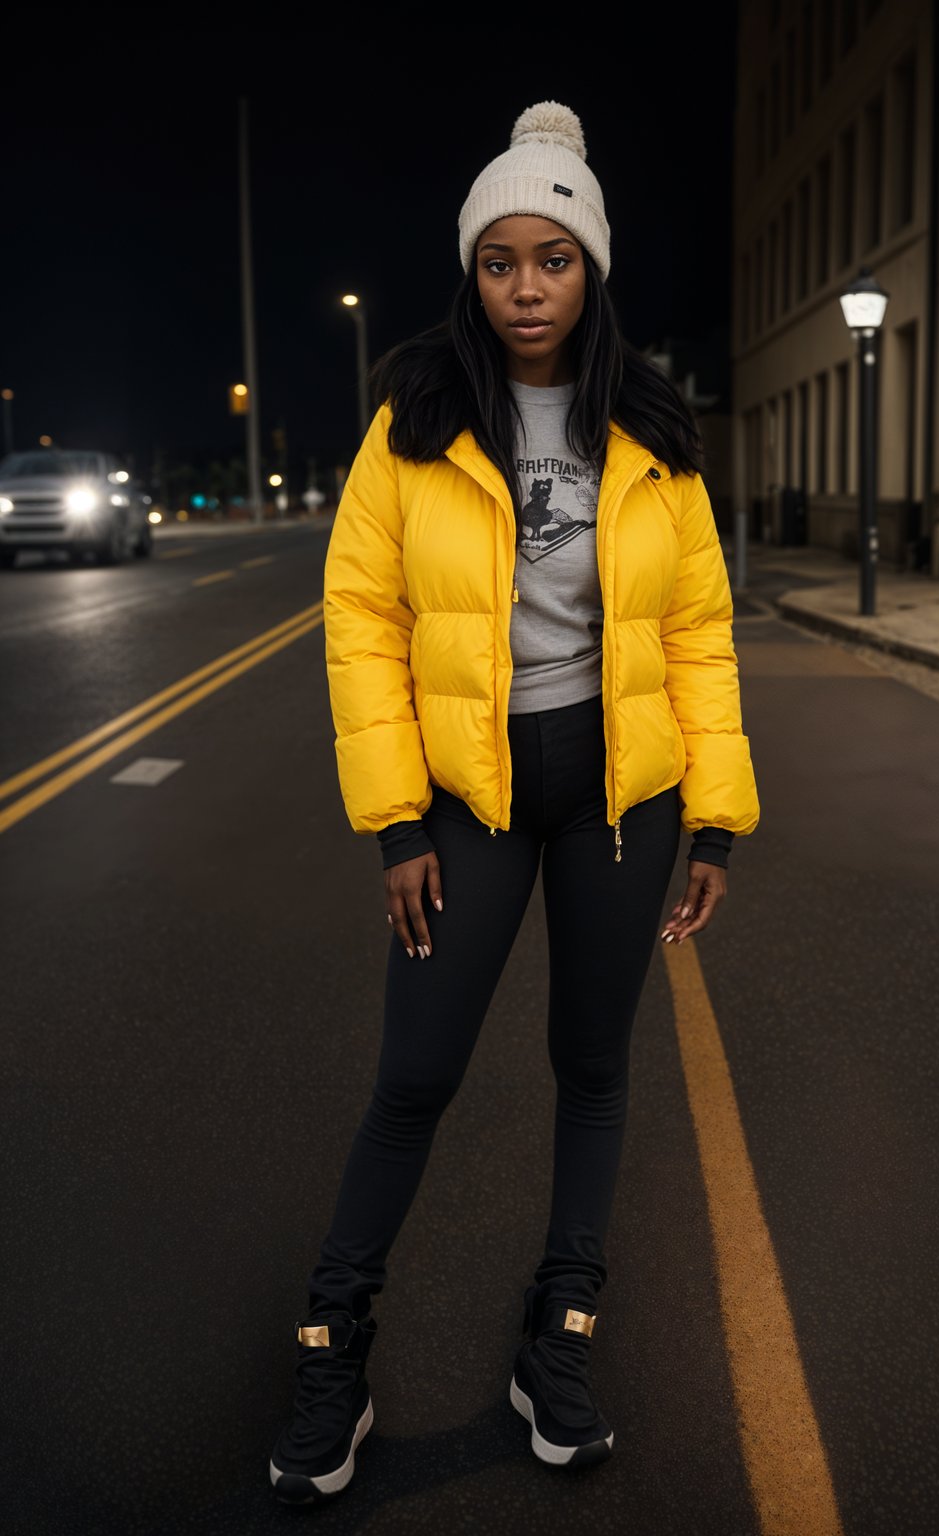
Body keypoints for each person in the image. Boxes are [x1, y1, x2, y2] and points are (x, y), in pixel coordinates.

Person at [269, 100, 760, 1505]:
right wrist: (394, 821)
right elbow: (359, 617)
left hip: (621, 801)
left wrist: (713, 818)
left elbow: (700, 635)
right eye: (502, 261)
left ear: (591, 266)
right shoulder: (414, 411)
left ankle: (562, 1335)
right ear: (471, 271)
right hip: (467, 801)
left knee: (593, 1071)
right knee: (414, 1074)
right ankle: (331, 1340)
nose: (528, 287)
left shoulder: (654, 423)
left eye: (554, 258)